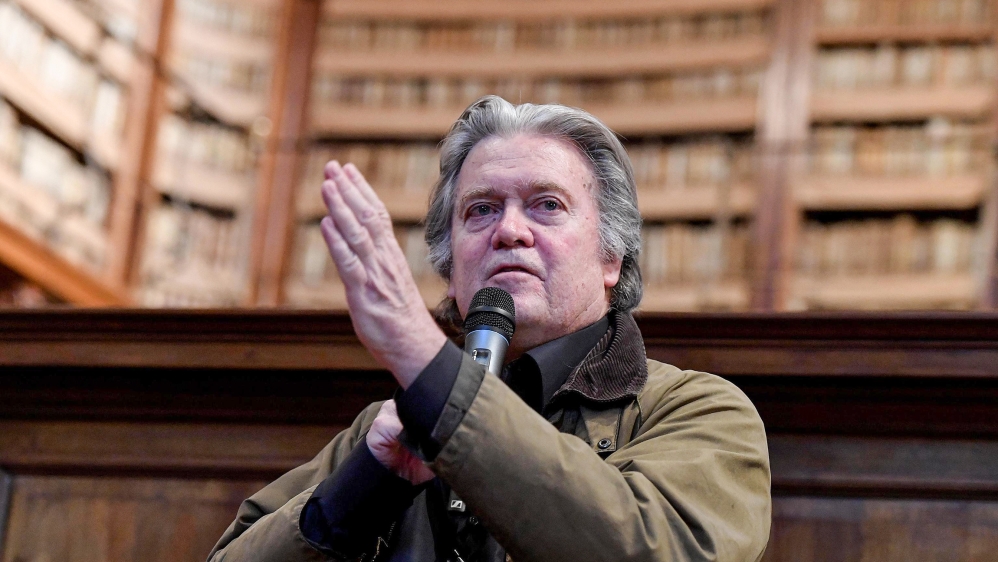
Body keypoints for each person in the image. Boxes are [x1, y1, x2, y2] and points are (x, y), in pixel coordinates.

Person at [208, 96, 771, 562]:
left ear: (612, 260)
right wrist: (363, 486)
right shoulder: (386, 430)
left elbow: (661, 551)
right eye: (480, 210)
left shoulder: (701, 410)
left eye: (546, 205)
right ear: (450, 269)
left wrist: (442, 387)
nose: (509, 231)